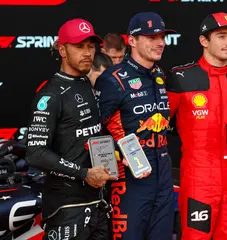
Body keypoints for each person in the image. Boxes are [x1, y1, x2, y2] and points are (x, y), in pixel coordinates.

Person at [166, 12, 227, 240]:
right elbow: (160, 124)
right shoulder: (181, 78)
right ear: (204, 41)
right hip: (198, 179)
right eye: (222, 36)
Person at [26, 18, 117, 240]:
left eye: (91, 46)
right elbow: (35, 152)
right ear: (62, 49)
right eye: (79, 46)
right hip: (66, 208)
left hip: (97, 201)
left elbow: (89, 135)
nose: (87, 53)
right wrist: (84, 174)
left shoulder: (86, 83)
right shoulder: (51, 95)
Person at [94, 12, 176, 240]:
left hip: (162, 178)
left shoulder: (159, 74)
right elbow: (93, 134)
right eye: (151, 37)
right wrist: (117, 156)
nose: (160, 42)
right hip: (129, 182)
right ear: (132, 40)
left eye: (162, 36)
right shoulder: (112, 79)